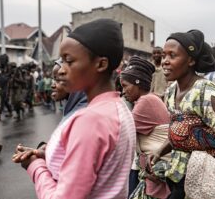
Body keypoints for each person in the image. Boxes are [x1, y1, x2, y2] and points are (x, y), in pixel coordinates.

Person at [12, 19, 136, 198]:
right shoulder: (118, 107)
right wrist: (44, 153)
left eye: (69, 61)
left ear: (101, 64)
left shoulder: (91, 119)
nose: (61, 70)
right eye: (61, 61)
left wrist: (34, 165)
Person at [149, 30, 215, 199]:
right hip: (176, 175)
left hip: (202, 181)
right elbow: (177, 131)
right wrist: (158, 152)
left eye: (172, 55)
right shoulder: (171, 92)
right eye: (164, 55)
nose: (165, 61)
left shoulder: (205, 92)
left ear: (191, 60)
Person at [120, 56, 171, 198]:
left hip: (158, 170)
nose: (123, 92)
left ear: (137, 83)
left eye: (125, 86)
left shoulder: (146, 101)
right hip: (152, 172)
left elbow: (118, 132)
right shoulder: (150, 98)